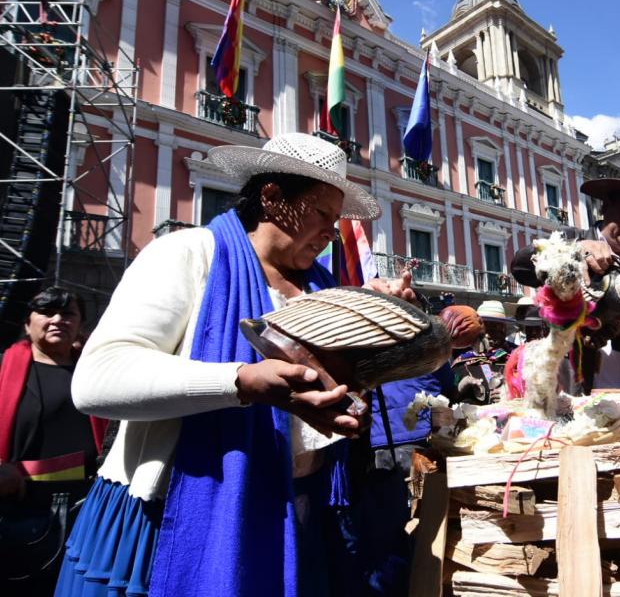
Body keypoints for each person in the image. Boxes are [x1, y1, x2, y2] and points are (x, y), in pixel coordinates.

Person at [54, 133, 415, 596]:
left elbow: (341, 387)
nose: (331, 232)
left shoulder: (327, 289)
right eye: (323, 214)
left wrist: (383, 321)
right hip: (172, 519)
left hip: (298, 522)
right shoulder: (187, 254)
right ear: (272, 198)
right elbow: (96, 381)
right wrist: (240, 382)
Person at [511, 173, 620, 390]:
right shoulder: (569, 240)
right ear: (605, 207)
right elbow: (520, 267)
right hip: (564, 390)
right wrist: (573, 252)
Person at [0, 287, 107, 595]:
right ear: (27, 324)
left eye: (68, 313)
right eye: (47, 313)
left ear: (80, 323)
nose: (58, 319)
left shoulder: (98, 372)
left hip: (85, 510)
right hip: (19, 510)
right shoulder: (3, 370)